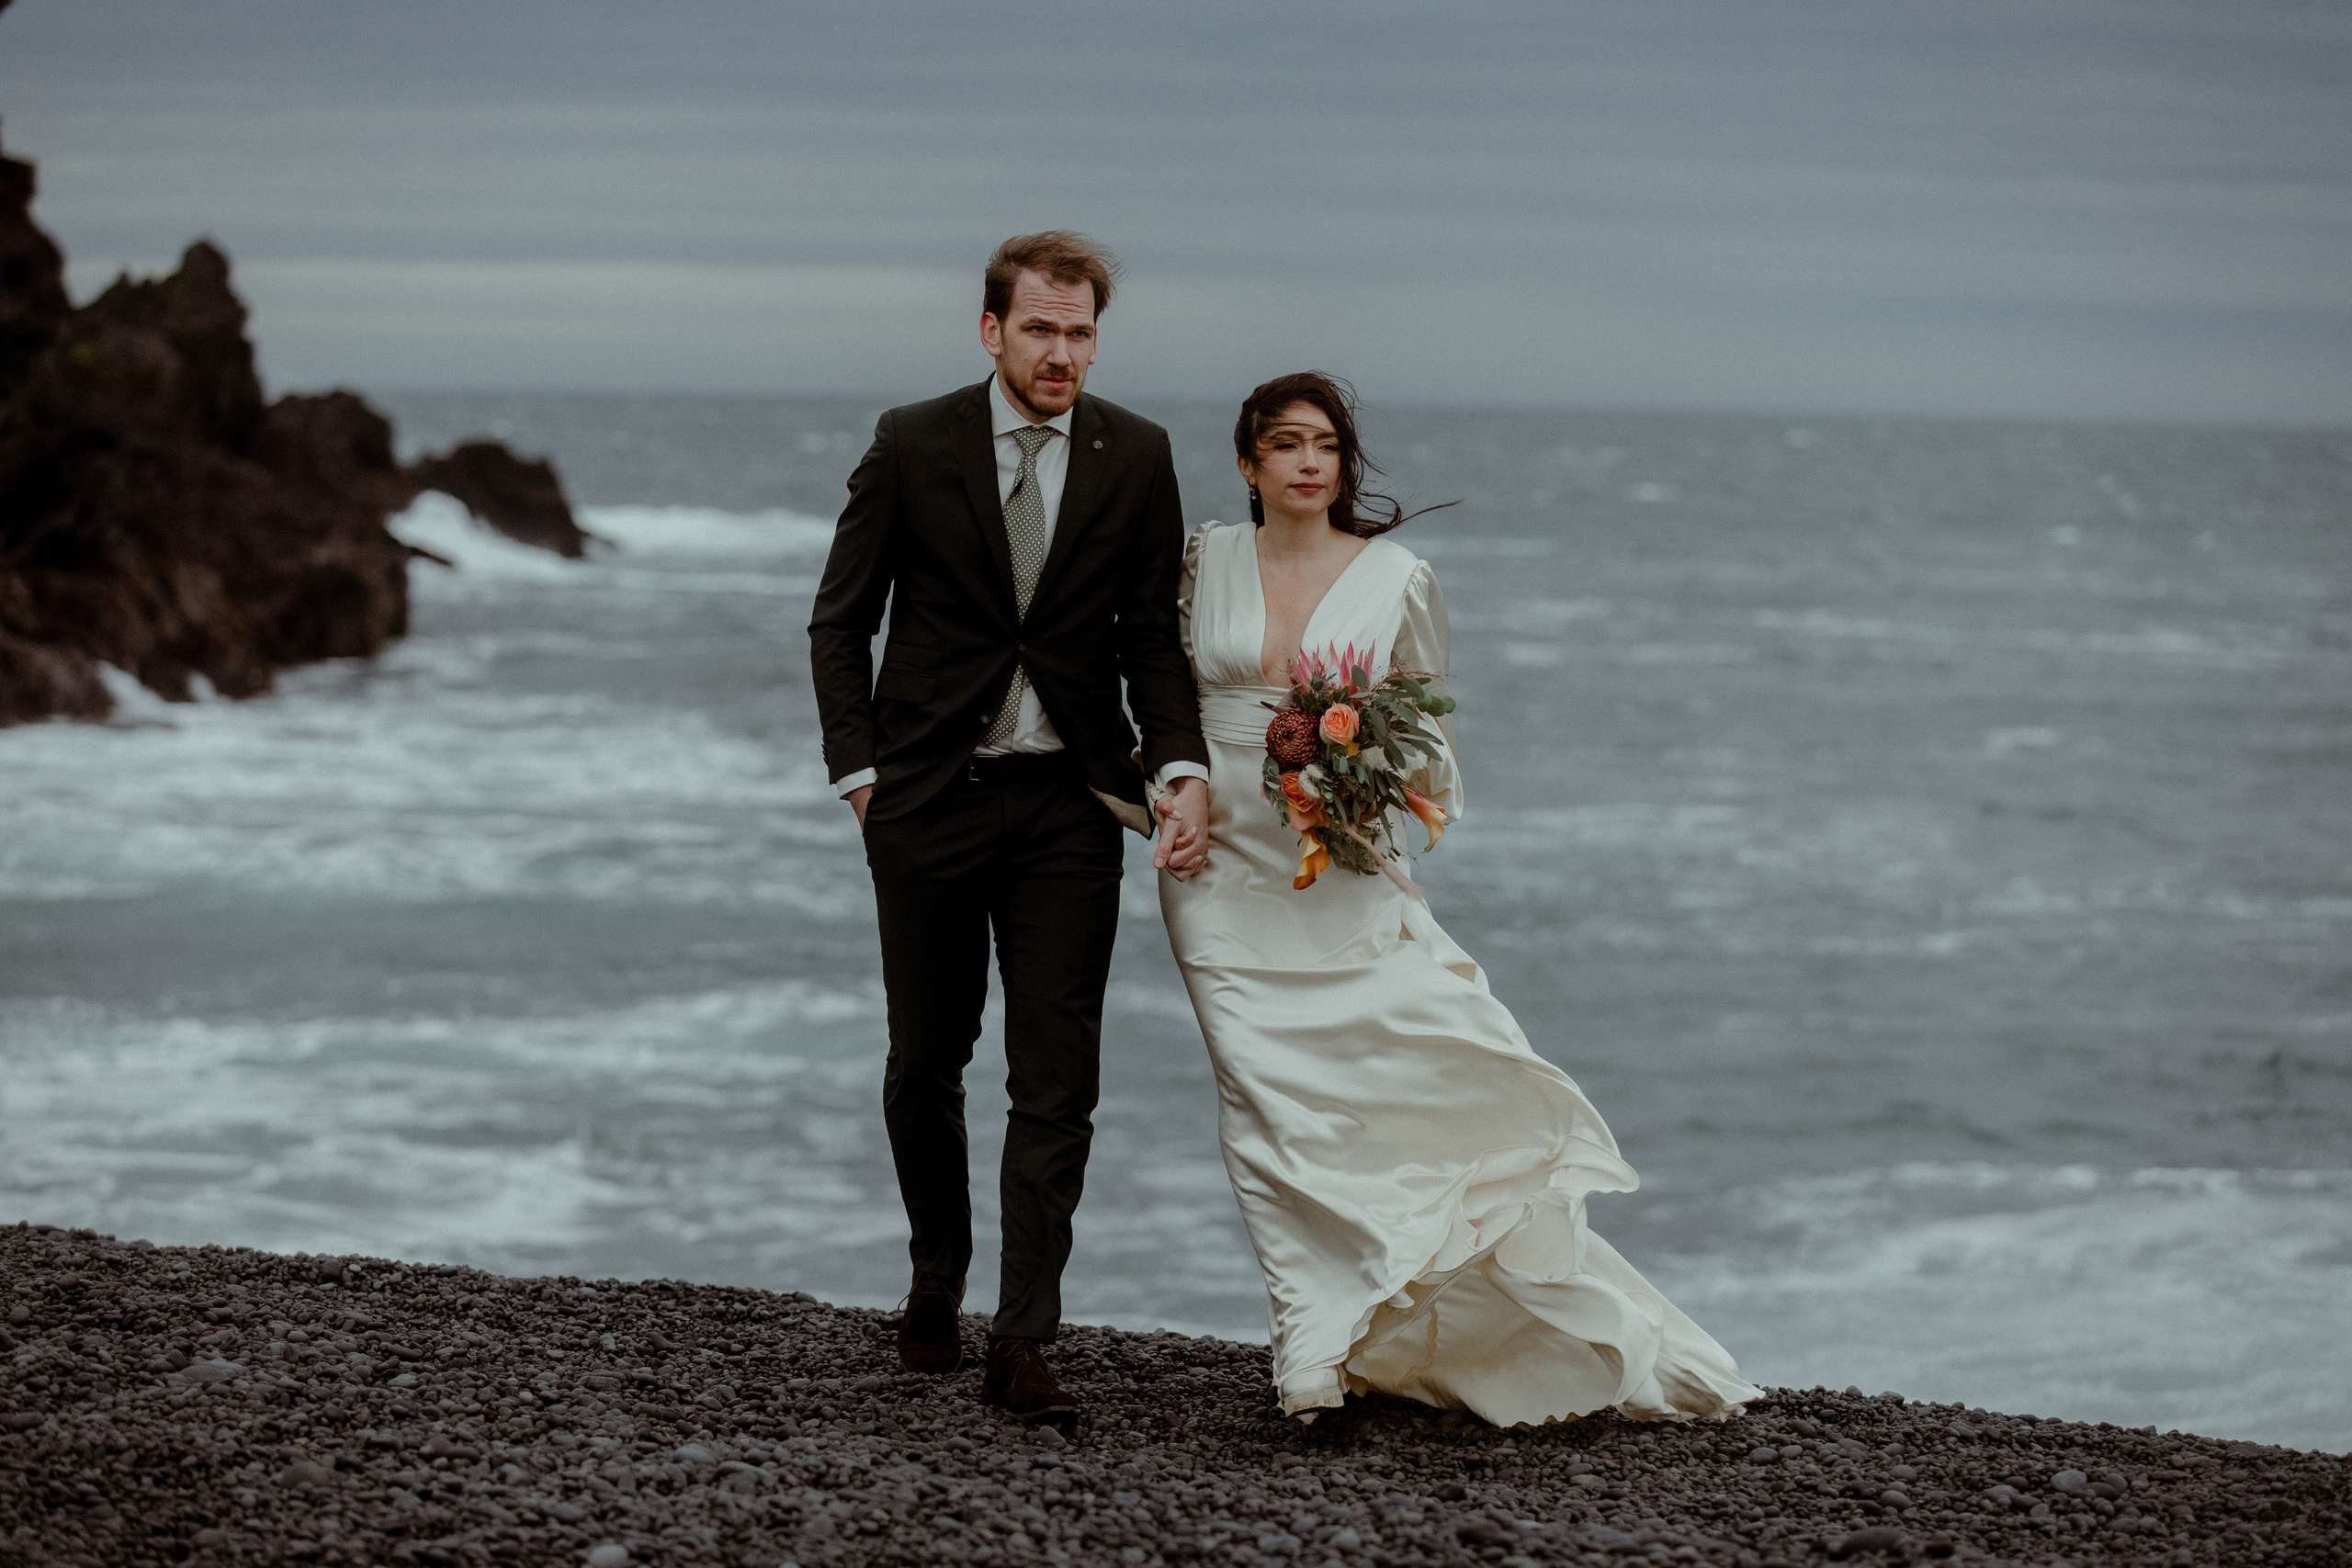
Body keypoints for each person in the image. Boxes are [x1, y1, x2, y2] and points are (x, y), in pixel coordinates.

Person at [1158, 372, 1760, 1426]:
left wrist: (1358, 783)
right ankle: (1308, 1337)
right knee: (1261, 1097)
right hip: (1218, 865)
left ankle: (1413, 1293)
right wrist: (1170, 788)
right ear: (1247, 461)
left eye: (1326, 446)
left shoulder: (1396, 578)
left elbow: (1425, 736)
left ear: (1344, 463)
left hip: (1335, 863)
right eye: (1286, 444)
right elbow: (1160, 689)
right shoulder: (1204, 560)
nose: (1309, 462)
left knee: (1418, 1062)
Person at [808, 231, 1212, 1428]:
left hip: (1068, 806)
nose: (1061, 353)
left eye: (1080, 333)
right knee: (925, 1058)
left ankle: (1024, 1335)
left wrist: (1180, 768)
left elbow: (1151, 639)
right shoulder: (911, 441)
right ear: (992, 331)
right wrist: (861, 775)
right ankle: (937, 1272)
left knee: (1057, 1074)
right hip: (927, 795)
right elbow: (841, 618)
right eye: (1040, 329)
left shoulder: (1137, 454)